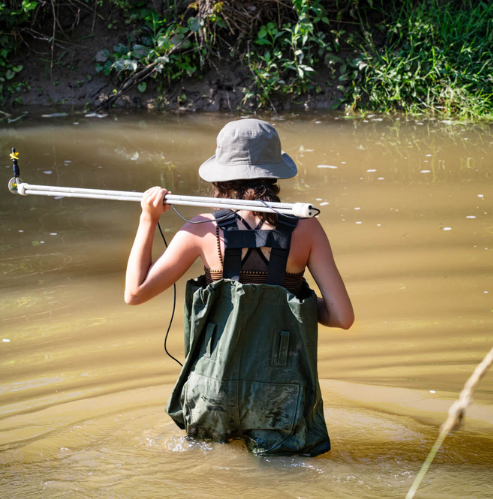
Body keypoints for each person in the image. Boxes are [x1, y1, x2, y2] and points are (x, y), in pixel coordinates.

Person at [124, 118, 354, 456]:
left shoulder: (202, 229)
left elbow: (135, 292)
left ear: (221, 176)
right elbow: (342, 316)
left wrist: (148, 220)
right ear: (274, 173)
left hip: (212, 388)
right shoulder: (307, 228)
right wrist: (294, 300)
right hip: (280, 395)